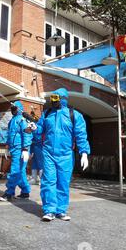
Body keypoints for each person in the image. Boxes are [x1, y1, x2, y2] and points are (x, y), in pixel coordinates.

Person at [34, 88, 90, 222]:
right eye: (52, 98)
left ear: (62, 99)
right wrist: (34, 128)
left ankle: (61, 210)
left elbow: (81, 135)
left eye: (55, 99)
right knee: (48, 181)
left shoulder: (74, 115)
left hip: (66, 155)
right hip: (48, 153)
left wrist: (84, 153)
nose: (52, 101)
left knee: (63, 183)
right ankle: (49, 210)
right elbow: (40, 130)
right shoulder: (46, 114)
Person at [0, 101, 33, 201]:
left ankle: (9, 193)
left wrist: (25, 149)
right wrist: (7, 146)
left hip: (20, 149)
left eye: (14, 108)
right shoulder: (12, 121)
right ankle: (25, 191)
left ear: (19, 109)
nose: (12, 110)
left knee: (15, 170)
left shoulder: (23, 120)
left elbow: (27, 134)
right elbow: (9, 135)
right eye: (12, 108)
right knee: (20, 171)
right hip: (14, 149)